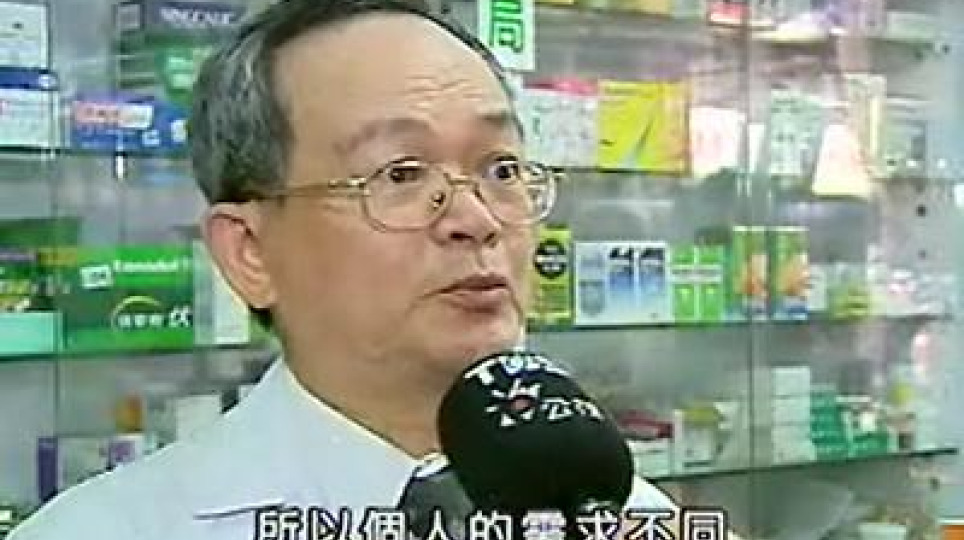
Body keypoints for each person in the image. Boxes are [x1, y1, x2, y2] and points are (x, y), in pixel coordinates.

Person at [9, 0, 678, 538]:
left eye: (501, 168)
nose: (476, 218)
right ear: (249, 251)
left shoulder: (631, 516)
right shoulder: (107, 530)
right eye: (401, 174)